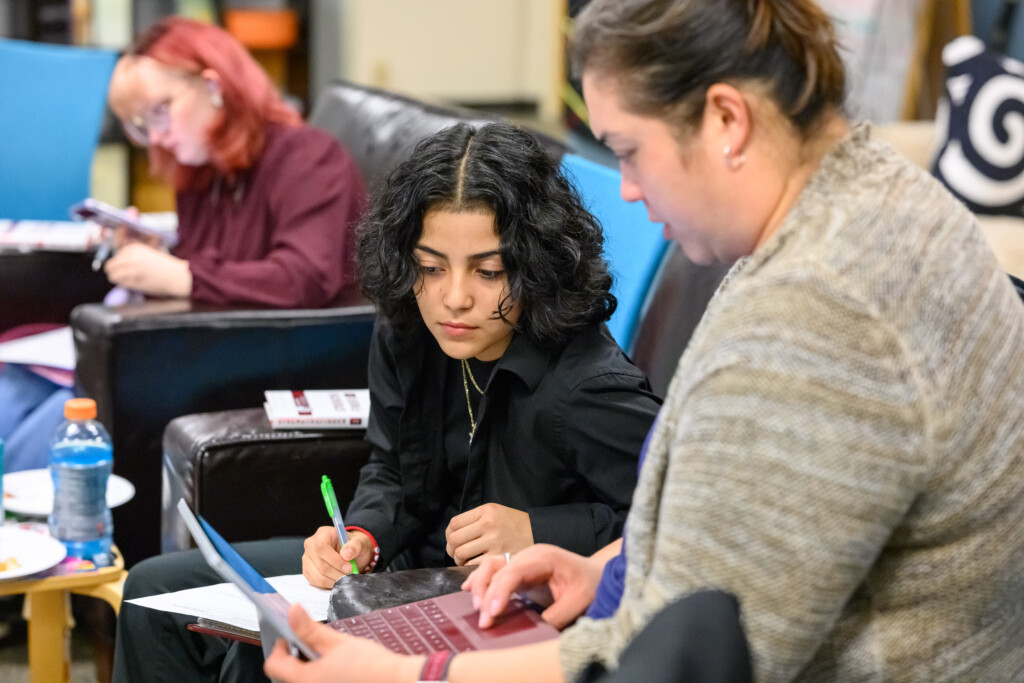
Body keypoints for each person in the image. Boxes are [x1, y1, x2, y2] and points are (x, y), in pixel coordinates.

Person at [262, 1, 1024, 681]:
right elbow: (747, 539)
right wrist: (604, 567)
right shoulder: (871, 206)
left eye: (629, 149)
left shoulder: (817, 317)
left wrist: (404, 674)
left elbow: (688, 652)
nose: (625, 187)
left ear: (727, 120)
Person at [111, 121, 661, 682]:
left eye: (489, 272)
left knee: (272, 649)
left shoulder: (587, 388)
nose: (454, 298)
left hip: (493, 607)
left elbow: (671, 521)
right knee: (150, 591)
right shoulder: (408, 327)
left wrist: (539, 532)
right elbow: (390, 466)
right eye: (430, 267)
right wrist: (363, 535)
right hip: (401, 571)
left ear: (535, 266)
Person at [0, 17, 366, 472]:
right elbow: (218, 264)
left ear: (213, 86)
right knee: (10, 388)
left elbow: (305, 276)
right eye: (140, 125)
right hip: (201, 346)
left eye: (159, 112)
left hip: (265, 359)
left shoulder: (309, 157)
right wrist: (163, 254)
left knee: (62, 419)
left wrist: (181, 274)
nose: (155, 137)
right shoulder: (199, 171)